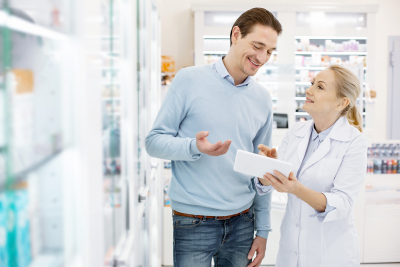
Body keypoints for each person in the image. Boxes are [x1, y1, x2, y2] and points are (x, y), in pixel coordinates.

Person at [145, 8, 282, 267]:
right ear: (235, 34)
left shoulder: (262, 99)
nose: (262, 57)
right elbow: (153, 142)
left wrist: (263, 230)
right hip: (193, 221)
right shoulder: (188, 80)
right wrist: (194, 147)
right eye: (258, 46)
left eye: (270, 51)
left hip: (243, 222)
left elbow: (261, 171)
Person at [255, 65, 368, 266]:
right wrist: (267, 169)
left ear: (341, 103)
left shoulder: (354, 142)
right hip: (291, 250)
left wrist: (296, 189)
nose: (309, 90)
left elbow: (342, 203)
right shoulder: (297, 131)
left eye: (320, 87)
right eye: (312, 84)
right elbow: (271, 184)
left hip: (329, 253)